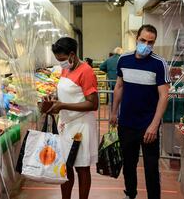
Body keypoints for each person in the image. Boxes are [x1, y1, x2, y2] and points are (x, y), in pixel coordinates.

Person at [110, 24, 170, 199]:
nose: (146, 45)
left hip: (148, 126)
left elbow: (164, 96)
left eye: (150, 42)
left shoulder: (159, 64)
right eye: (143, 40)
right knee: (129, 165)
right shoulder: (124, 59)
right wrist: (114, 112)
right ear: (137, 38)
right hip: (126, 123)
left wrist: (154, 125)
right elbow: (119, 86)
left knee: (151, 168)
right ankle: (131, 194)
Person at [45, 37, 98, 199]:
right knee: (65, 167)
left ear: (72, 55)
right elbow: (68, 93)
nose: (60, 63)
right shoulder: (66, 69)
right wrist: (54, 100)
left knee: (81, 167)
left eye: (62, 59)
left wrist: (63, 106)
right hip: (66, 124)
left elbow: (93, 104)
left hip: (81, 127)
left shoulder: (86, 71)